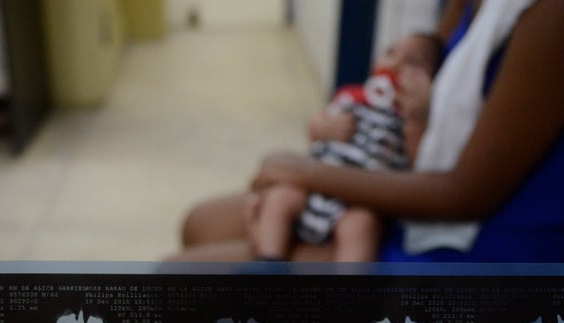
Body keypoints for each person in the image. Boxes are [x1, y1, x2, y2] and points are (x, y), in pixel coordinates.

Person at [172, 0, 564, 263]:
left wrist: (303, 171)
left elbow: (467, 195)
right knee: (200, 223)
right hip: (420, 189)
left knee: (177, 282)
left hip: (478, 244)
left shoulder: (550, 15)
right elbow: (419, 71)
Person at [245, 33, 444, 262]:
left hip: (360, 199)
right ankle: (268, 261)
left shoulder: (410, 118)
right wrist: (324, 126)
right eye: (391, 53)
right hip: (315, 187)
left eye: (413, 62)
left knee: (362, 225)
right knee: (279, 198)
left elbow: (417, 163)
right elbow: (315, 127)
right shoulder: (352, 95)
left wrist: (417, 119)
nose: (396, 64)